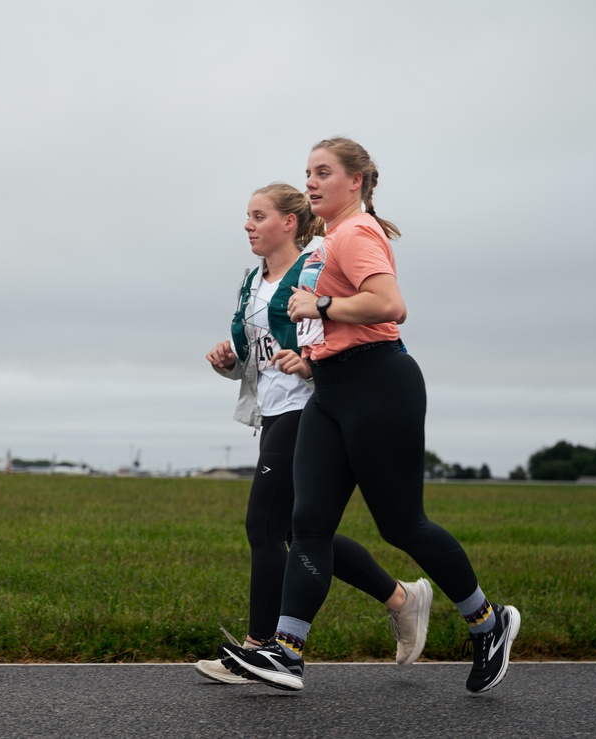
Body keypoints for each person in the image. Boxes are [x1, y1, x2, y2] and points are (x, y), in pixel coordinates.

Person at [219, 140, 520, 693]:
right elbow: (331, 328)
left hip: (380, 384)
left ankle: (487, 620)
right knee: (307, 525)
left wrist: (321, 306)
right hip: (331, 389)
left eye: (324, 172)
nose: (311, 182)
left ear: (355, 181)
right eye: (307, 172)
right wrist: (310, 357)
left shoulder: (358, 232)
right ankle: (286, 653)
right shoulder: (328, 240)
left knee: (402, 525)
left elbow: (389, 304)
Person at [196, 183, 432, 685]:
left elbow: (345, 334)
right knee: (299, 529)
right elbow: (252, 355)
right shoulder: (251, 281)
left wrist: (307, 364)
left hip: (314, 407)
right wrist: (228, 361)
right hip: (274, 411)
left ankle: (260, 648)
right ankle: (401, 597)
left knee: (263, 526)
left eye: (257, 215)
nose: (247, 225)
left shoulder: (316, 266)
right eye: (246, 216)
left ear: (288, 223)